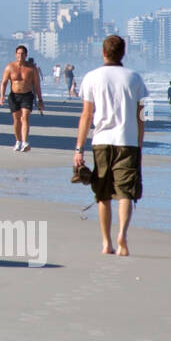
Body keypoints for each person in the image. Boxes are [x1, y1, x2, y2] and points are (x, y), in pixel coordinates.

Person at [73, 35, 147, 256]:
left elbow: (87, 115)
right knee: (126, 192)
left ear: (103, 53)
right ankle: (122, 235)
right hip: (128, 141)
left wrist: (79, 148)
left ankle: (106, 242)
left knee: (102, 192)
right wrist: (140, 144)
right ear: (123, 53)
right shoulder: (135, 78)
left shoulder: (92, 77)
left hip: (101, 141)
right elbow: (144, 115)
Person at [0, 45, 44, 151]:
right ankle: (18, 141)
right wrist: (2, 96)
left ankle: (24, 142)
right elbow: (4, 82)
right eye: (18, 53)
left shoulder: (31, 68)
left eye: (22, 53)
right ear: (15, 55)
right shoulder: (10, 67)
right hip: (14, 96)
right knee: (16, 120)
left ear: (26, 55)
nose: (20, 55)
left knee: (25, 117)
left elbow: (37, 85)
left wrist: (40, 100)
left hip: (27, 95)